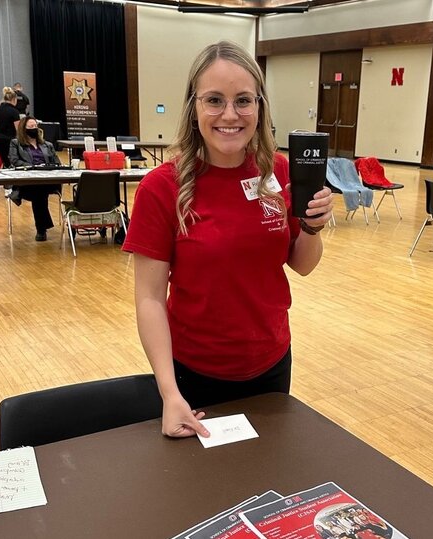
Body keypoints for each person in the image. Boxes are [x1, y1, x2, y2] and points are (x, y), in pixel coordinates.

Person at [122, 41, 333, 439]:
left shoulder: (279, 171)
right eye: (214, 100)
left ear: (260, 106)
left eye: (243, 100)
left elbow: (301, 265)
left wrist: (312, 228)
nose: (230, 115)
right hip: (193, 376)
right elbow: (149, 298)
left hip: (271, 364)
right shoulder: (160, 187)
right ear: (194, 106)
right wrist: (169, 392)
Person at [8, 116, 62, 241]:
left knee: (40, 192)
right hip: (27, 183)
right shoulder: (16, 143)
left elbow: (56, 162)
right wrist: (33, 167)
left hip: (47, 181)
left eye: (35, 126)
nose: (34, 129)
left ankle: (42, 228)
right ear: (23, 129)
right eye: (30, 127)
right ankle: (42, 228)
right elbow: (14, 160)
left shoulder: (47, 145)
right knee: (39, 193)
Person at [0, 87, 20, 168]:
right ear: (14, 99)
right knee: (12, 162)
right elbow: (18, 129)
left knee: (4, 161)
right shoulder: (14, 111)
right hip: (10, 140)